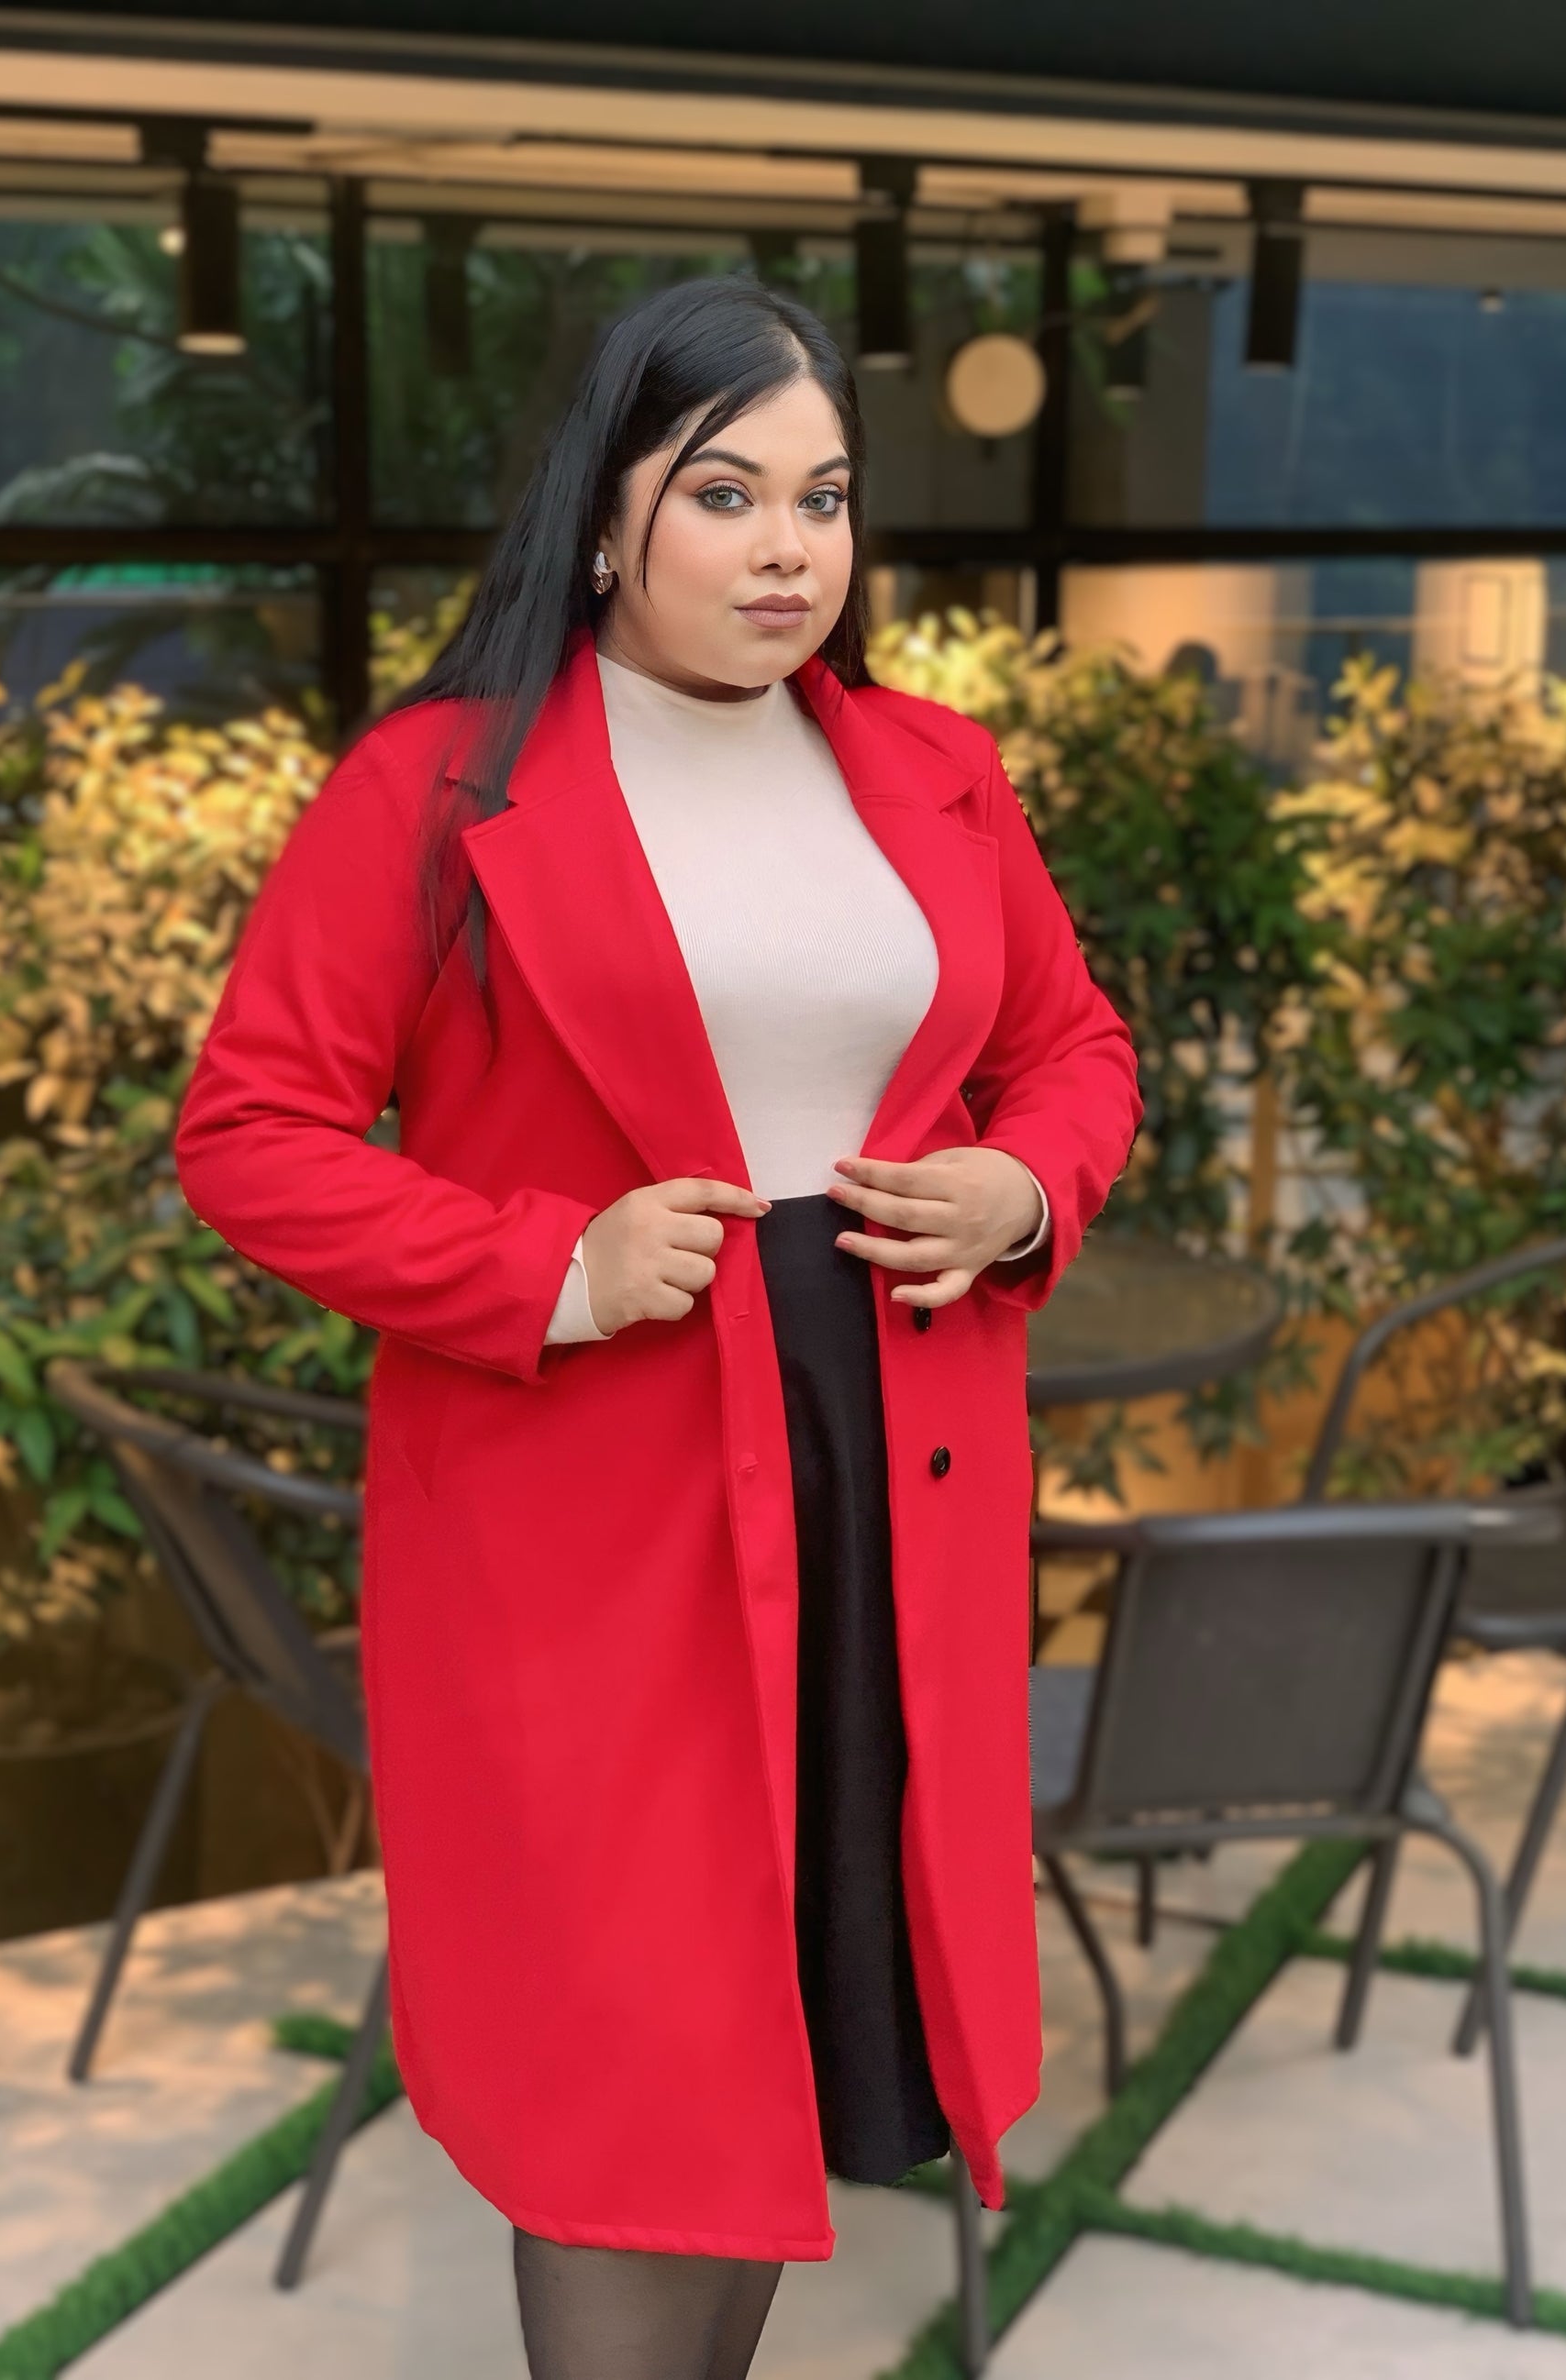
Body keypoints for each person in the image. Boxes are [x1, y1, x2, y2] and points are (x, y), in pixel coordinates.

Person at [173, 272, 1142, 2379]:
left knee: (783, 2017)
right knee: (628, 2054)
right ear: (602, 514)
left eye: (824, 496)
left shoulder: (934, 769)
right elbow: (249, 1132)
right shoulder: (438, 787)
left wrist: (1022, 1186)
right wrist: (550, 1263)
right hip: (592, 1504)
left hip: (881, 1482)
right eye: (724, 492)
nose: (789, 547)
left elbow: (1073, 1047)